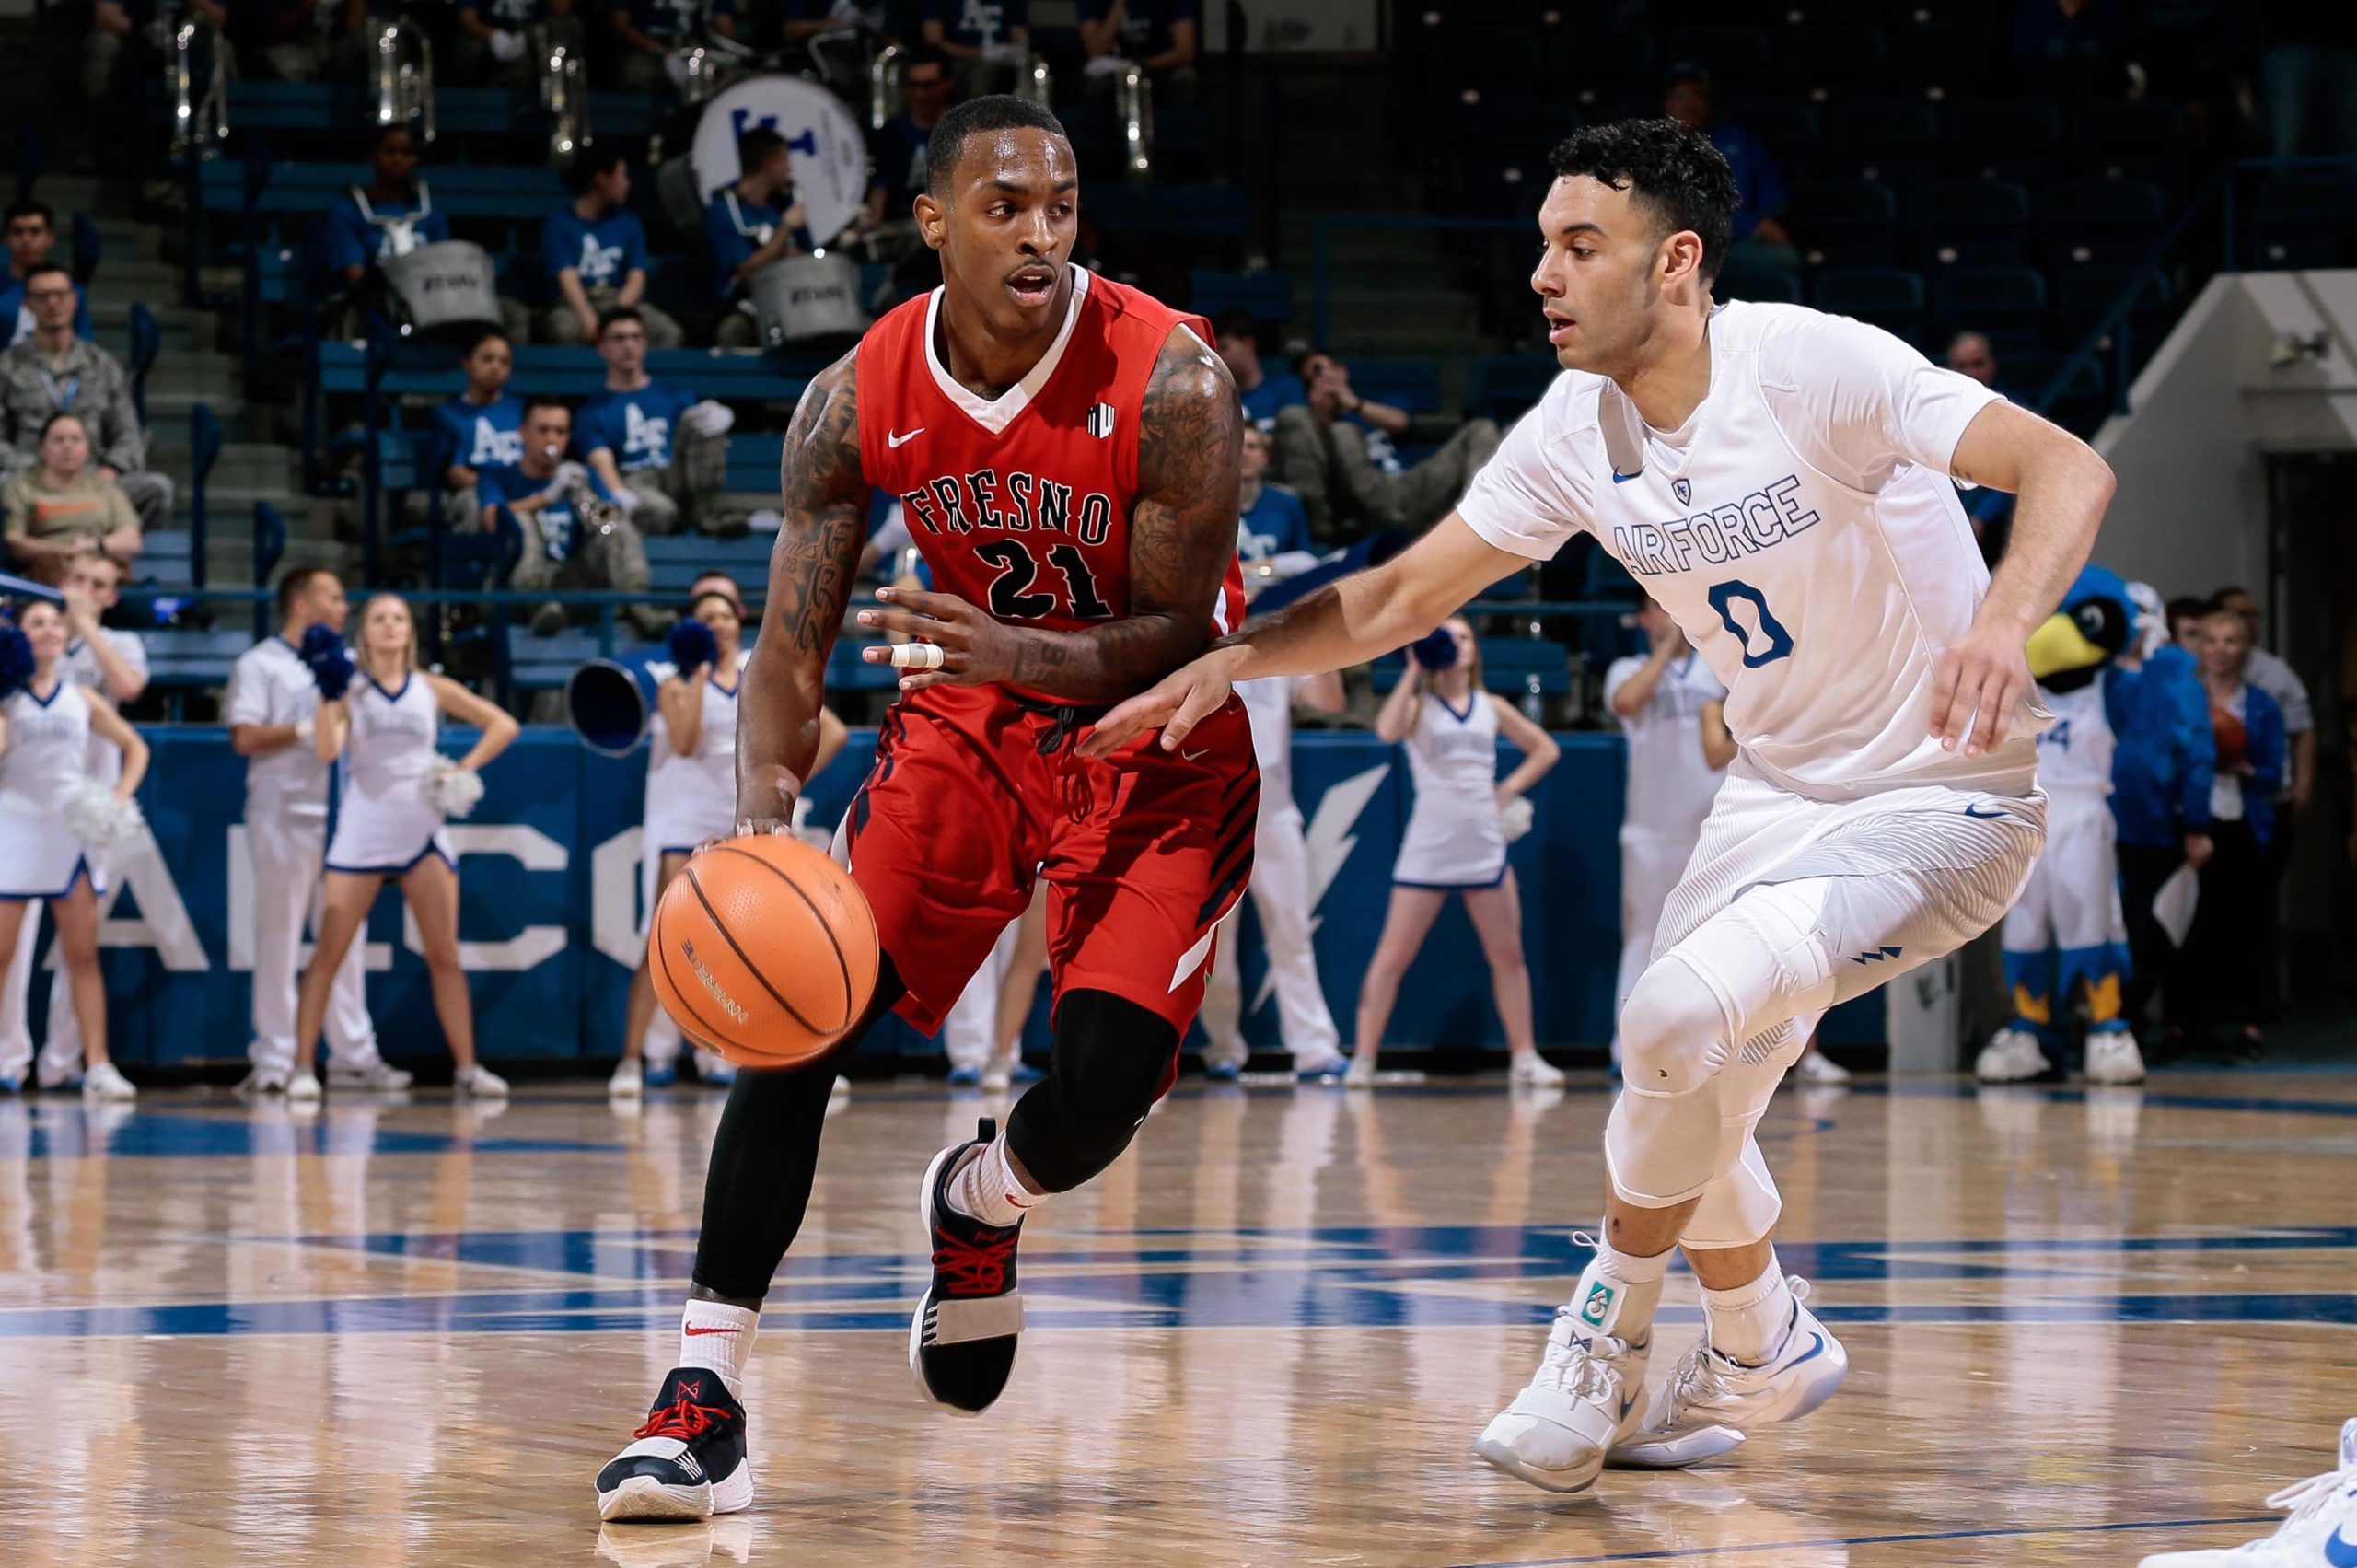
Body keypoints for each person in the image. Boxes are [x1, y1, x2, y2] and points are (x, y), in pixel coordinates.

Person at [1086, 116, 2113, 1494]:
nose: (1543, 275)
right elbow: (1399, 596)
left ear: (1678, 261)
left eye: (1582, 245)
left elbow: (2070, 467)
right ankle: (1763, 1335)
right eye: (1541, 246)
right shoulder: (1579, 429)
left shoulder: (1812, 365)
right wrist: (1234, 655)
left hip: (1947, 790)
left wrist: (2001, 622)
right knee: (1682, 1072)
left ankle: (1604, 1333)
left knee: (1676, 1018)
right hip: (1772, 795)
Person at [592, 93, 1253, 1522]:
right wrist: (767, 798)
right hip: (965, 725)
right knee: (800, 1006)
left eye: (1062, 205)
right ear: (933, 221)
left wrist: (1023, 651)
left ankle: (987, 1196)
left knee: (1105, 1080)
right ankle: (699, 1397)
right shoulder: (858, 395)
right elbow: (789, 642)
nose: (1041, 232)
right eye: (1006, 205)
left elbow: (1182, 637)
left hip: (1157, 739)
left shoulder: (1176, 383)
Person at [614, 586, 849, 1096]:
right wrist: (697, 671)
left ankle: (726, 1054)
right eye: (705, 617)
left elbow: (830, 732)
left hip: (743, 821)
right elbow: (683, 740)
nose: (717, 624)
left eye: (723, 615)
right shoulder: (675, 682)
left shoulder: (759, 672)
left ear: (738, 619)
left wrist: (784, 783)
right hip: (682, 821)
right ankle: (634, 1058)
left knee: (742, 948)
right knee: (663, 940)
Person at [287, 593, 519, 1101]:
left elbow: (503, 724)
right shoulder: (348, 687)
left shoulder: (430, 688)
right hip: (362, 830)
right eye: (379, 619)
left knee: (445, 956)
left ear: (410, 632)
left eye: (398, 619)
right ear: (363, 633)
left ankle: (466, 1069)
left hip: (422, 831)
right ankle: (302, 1066)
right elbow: (328, 750)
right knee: (328, 953)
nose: (390, 626)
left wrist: (461, 769)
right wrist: (328, 695)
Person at [1344, 616, 1562, 1088]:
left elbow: (1545, 749)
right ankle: (1363, 1058)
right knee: (1391, 957)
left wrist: (1507, 789)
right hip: (1429, 845)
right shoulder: (1419, 706)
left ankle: (1524, 1058)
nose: (1456, 644)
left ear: (1475, 649)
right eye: (1446, 635)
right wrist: (1412, 668)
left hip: (1483, 844)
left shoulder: (1491, 705)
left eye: (1464, 637)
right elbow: (1385, 731)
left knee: (1508, 956)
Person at [227, 568, 406, 1094]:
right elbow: (244, 736)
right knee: (279, 936)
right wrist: (308, 730)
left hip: (345, 819)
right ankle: (276, 1058)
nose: (344, 606)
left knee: (345, 941)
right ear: (302, 604)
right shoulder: (261, 663)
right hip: (282, 813)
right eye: (334, 596)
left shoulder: (351, 667)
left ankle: (353, 1054)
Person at [1977, 566, 2142, 1085]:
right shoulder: (2012, 683)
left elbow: (2160, 704)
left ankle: (2106, 1026)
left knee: (2089, 917)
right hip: (2022, 811)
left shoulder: (2109, 688)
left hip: (2083, 812)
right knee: (2023, 922)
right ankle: (2031, 1028)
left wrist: (2146, 654)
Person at [0, 553, 146, 1091]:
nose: (49, 631)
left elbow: (136, 747)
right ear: (18, 634)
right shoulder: (7, 696)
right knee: (2, 955)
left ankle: (98, 1063)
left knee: (82, 954)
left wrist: (117, 797)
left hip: (69, 827)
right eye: (36, 623)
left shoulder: (82, 697)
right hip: (13, 823)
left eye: (54, 624)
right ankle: (5, 1056)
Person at [1198, 658, 1348, 1082]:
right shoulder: (1201, 637)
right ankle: (1223, 1046)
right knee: (1215, 946)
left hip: (1275, 813)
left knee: (1292, 932)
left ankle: (1314, 1049)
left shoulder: (1279, 641)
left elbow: (1329, 701)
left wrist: (1327, 640)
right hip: (1214, 814)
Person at [1606, 596, 1727, 1068]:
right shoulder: (1627, 668)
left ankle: (1705, 1049)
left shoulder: (1716, 669)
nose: (1669, 614)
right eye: (1657, 607)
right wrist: (1664, 651)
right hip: (1649, 833)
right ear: (1642, 619)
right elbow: (1627, 702)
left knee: (1711, 942)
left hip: (1710, 830)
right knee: (1643, 941)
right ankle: (1626, 1050)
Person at [2108, 582, 2215, 1049]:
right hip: (2102, 821)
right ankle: (2106, 1016)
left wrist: (2196, 823)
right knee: (2109, 922)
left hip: (2158, 822)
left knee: (2155, 924)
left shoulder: (2175, 672)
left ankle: (2137, 1018)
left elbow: (2196, 750)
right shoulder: (2099, 676)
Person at [2180, 608, 2286, 1057]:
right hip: (2193, 822)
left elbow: (2275, 771)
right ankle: (2187, 1025)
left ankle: (2250, 1023)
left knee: (2247, 926)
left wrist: (2247, 768)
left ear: (2244, 649)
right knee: (2191, 925)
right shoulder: (2185, 697)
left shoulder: (2261, 704)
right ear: (2201, 647)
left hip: (2244, 822)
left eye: (2230, 641)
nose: (2221, 649)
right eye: (2212, 640)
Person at [0, 265, 171, 533]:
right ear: (28, 304)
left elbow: (128, 433)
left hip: (94, 478)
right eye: (43, 296)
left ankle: (108, 560)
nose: (52, 303)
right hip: (29, 479)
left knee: (156, 489)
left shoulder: (102, 365)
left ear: (74, 300)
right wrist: (33, 469)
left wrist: (111, 469)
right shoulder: (8, 366)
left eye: (60, 294)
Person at [478, 398, 654, 638]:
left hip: (570, 580)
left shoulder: (582, 476)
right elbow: (493, 520)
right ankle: (537, 604)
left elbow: (609, 525)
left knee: (615, 527)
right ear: (522, 433)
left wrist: (587, 502)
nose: (551, 439)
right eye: (543, 430)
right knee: (520, 520)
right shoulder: (497, 477)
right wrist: (547, 497)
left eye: (560, 432)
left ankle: (639, 605)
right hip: (513, 590)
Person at [1286, 346, 1503, 540]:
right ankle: (1389, 528)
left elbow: (1401, 422)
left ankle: (1480, 525)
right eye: (1314, 377)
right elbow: (1318, 469)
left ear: (1343, 372)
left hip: (1407, 486)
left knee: (1482, 427)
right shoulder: (1318, 426)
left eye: (1327, 370)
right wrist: (1322, 415)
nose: (1324, 380)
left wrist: (1353, 404)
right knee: (1343, 432)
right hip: (1361, 507)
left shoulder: (1378, 402)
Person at [578, 308, 734, 536]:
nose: (628, 345)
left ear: (645, 343)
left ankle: (706, 515)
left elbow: (696, 438)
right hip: (635, 482)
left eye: (635, 337)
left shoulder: (674, 395)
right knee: (661, 511)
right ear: (601, 347)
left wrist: (719, 415)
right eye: (619, 338)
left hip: (675, 473)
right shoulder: (592, 411)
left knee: (706, 419)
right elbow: (601, 460)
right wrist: (618, 491)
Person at [1662, 65, 1794, 277]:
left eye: (1698, 95)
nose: (1689, 104)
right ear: (1667, 103)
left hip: (1735, 243)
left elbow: (1771, 191)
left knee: (1782, 257)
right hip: (1675, 247)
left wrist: (1764, 219)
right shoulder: (1652, 148)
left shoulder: (1739, 142)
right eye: (1679, 96)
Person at [543, 151, 682, 349]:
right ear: (601, 179)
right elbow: (567, 277)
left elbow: (636, 278)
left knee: (667, 332)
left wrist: (614, 317)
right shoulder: (559, 224)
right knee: (563, 330)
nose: (627, 184)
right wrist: (588, 318)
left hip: (619, 300)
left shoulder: (629, 223)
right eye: (622, 176)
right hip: (575, 304)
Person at [706, 128, 819, 349]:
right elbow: (744, 268)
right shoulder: (722, 210)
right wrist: (784, 230)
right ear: (769, 164)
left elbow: (809, 259)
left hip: (793, 299)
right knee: (732, 331)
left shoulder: (781, 206)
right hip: (747, 302)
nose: (789, 169)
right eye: (785, 160)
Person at [3, 412, 142, 569]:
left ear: (88, 448)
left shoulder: (105, 489)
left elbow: (131, 541)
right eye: (58, 440)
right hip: (46, 573)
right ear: (42, 448)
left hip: (98, 570)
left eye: (76, 440)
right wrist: (64, 551)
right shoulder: (21, 488)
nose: (67, 446)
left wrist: (93, 545)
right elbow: (13, 542)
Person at [326, 126, 453, 292]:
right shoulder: (350, 212)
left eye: (406, 152)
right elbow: (355, 277)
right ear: (374, 155)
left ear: (415, 159)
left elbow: (446, 268)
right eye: (390, 151)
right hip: (374, 308)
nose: (398, 159)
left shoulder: (430, 212)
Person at [430, 329, 523, 536]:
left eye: (504, 361)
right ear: (467, 362)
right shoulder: (448, 415)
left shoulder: (522, 410)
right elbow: (454, 473)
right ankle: (472, 564)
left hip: (521, 489)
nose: (496, 367)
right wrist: (495, 489)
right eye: (487, 359)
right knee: (473, 501)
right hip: (476, 491)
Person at [865, 45, 953, 242]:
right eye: (913, 85)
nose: (919, 94)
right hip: (905, 225)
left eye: (928, 85)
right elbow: (881, 185)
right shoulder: (890, 134)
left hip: (953, 223)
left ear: (946, 83)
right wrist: (873, 221)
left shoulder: (964, 129)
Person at [0, 201, 93, 346]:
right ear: (5, 238)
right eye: (18, 232)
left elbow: (85, 344)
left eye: (35, 231)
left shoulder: (70, 291)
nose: (26, 240)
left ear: (50, 237)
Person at [1076, 0, 1199, 105]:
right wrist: (1120, 4)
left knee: (1185, 77)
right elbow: (1096, 52)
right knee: (1096, 86)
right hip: (1113, 71)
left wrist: (1139, 64)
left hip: (1158, 65)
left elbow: (1185, 52)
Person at [611, 0, 737, 94]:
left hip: (696, 51)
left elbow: (724, 26)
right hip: (649, 50)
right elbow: (620, 24)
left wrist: (723, 54)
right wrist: (660, 50)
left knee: (727, 75)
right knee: (637, 69)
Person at [1212, 309, 1306, 434]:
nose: (1218, 357)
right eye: (1214, 351)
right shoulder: (1216, 400)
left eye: (1224, 348)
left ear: (1248, 343)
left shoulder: (1288, 387)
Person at [455, 0, 582, 87]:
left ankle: (562, 91)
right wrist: (494, 34)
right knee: (470, 47)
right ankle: (473, 94)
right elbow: (468, 21)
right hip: (489, 41)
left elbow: (561, 9)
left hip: (529, 39)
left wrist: (525, 36)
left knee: (567, 25)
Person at [921, 0, 1029, 94]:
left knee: (1029, 66)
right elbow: (934, 40)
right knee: (981, 72)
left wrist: (1021, 49)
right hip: (954, 60)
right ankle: (974, 117)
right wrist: (982, 53)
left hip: (1001, 60)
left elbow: (1019, 35)